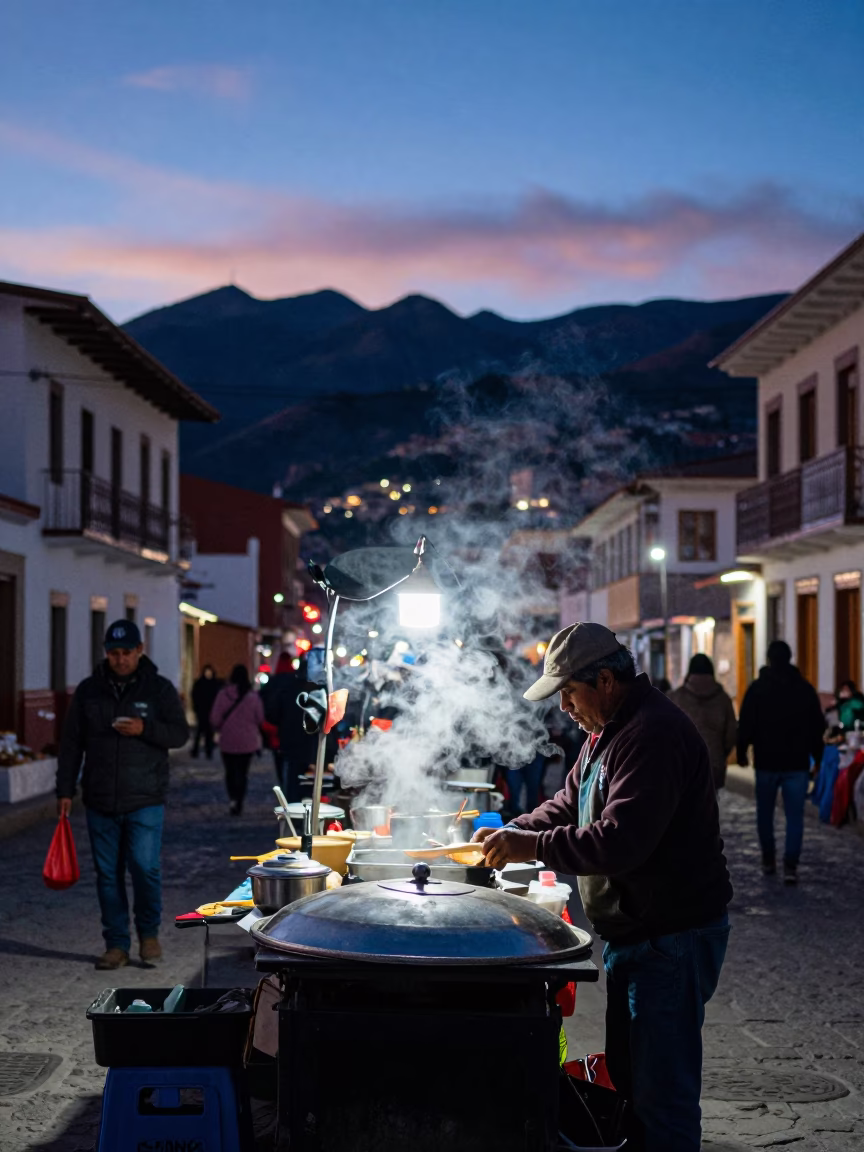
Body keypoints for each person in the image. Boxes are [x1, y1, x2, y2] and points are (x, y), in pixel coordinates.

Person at [473, 622, 732, 1152]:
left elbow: (620, 841)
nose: (564, 706)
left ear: (607, 680)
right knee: (633, 1078)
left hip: (672, 935)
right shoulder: (604, 732)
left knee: (663, 1096)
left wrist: (533, 849)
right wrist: (518, 829)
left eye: (569, 691)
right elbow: (569, 802)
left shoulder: (652, 735)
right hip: (636, 932)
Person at [56, 619, 189, 970]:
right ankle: (115, 943)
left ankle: (148, 934)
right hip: (99, 799)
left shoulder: (158, 689)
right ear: (106, 654)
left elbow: (179, 734)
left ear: (139, 650)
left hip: (145, 797)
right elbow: (71, 743)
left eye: (125, 652)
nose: (119, 659)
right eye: (113, 653)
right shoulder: (89, 691)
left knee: (145, 868)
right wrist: (65, 789)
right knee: (108, 875)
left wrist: (145, 729)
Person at [737, 640, 826, 884]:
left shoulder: (757, 688)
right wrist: (817, 758)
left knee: (764, 814)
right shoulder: (804, 689)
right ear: (790, 658)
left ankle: (768, 860)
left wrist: (743, 751)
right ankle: (790, 865)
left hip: (766, 761)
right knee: (795, 816)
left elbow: (746, 723)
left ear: (768, 659)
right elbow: (816, 727)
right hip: (796, 763)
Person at [668, 653, 738, 789]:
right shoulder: (723, 699)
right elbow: (731, 735)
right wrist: (720, 753)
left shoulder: (675, 698)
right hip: (713, 764)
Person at [260, 653, 319, 802]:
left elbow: (272, 712)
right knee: (312, 782)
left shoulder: (287, 686)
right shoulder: (318, 690)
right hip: (312, 744)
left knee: (292, 781)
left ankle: (295, 816)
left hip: (290, 741)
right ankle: (307, 813)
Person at [210, 664, 265, 816]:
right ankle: (239, 800)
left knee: (230, 771)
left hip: (227, 741)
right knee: (242, 772)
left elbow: (215, 718)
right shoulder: (253, 697)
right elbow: (260, 718)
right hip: (247, 742)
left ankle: (232, 798)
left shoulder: (223, 695)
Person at [190, 664, 222, 759]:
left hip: (210, 711)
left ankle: (208, 751)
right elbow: (195, 696)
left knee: (208, 733)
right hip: (202, 711)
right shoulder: (201, 683)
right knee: (200, 732)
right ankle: (197, 751)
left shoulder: (213, 684)